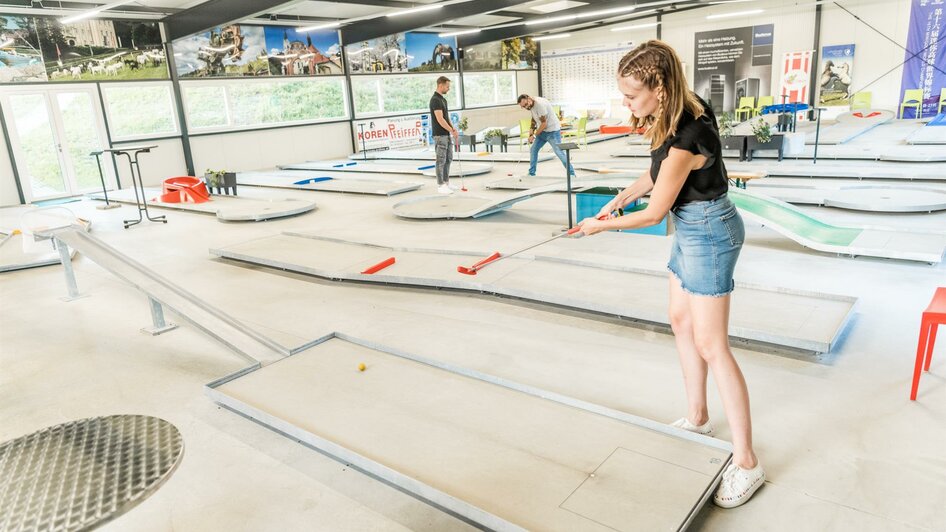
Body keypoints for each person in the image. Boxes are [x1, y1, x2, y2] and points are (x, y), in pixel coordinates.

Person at [577, 40, 764, 509]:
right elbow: (656, 174)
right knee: (680, 321)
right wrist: (622, 193)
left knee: (712, 345)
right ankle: (698, 415)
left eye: (631, 95)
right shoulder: (675, 111)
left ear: (659, 88)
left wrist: (600, 225)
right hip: (690, 226)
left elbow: (655, 211)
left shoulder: (688, 130)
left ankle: (746, 462)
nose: (627, 104)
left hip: (709, 233)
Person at [517, 94, 576, 178]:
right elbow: (534, 119)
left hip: (553, 131)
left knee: (558, 152)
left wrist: (534, 135)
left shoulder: (540, 105)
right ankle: (531, 173)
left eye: (526, 104)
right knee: (533, 149)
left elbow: (544, 124)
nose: (526, 107)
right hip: (543, 132)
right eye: (523, 107)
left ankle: (572, 174)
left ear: (529, 99)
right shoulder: (530, 105)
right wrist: (530, 133)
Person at [429, 76, 459, 194]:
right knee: (440, 160)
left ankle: (446, 182)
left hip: (446, 134)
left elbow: (446, 117)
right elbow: (440, 119)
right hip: (439, 135)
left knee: (448, 158)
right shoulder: (435, 100)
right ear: (440, 85)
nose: (448, 89)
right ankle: (441, 185)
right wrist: (451, 130)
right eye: (447, 86)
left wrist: (453, 129)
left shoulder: (443, 100)